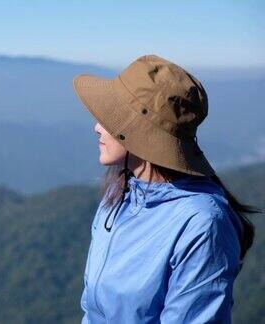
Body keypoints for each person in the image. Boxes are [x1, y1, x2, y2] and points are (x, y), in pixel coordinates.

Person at [70, 54, 261, 323]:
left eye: (112, 117)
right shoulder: (118, 197)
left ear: (140, 132)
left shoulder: (202, 224)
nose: (97, 127)